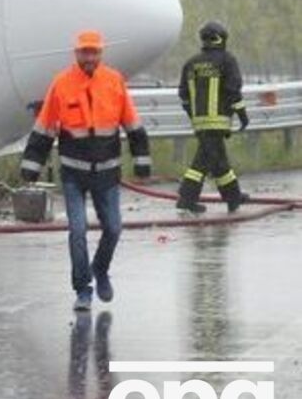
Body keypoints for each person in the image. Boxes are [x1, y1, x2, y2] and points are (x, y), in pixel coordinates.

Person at [20, 31, 152, 311]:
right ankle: (83, 290)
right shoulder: (62, 84)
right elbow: (44, 128)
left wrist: (142, 160)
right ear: (76, 53)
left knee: (114, 229)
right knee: (77, 231)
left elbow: (132, 124)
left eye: (94, 52)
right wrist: (31, 165)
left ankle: (100, 269)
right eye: (85, 52)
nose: (89, 57)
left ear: (101, 54)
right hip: (74, 175)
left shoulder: (114, 81)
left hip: (107, 173)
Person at [176, 20, 250, 214]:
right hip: (218, 122)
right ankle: (186, 199)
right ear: (220, 39)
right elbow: (233, 91)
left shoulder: (191, 63)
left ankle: (233, 196)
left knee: (218, 161)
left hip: (200, 123)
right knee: (202, 163)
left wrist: (194, 115)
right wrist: (243, 115)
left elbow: (183, 94)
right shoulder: (227, 60)